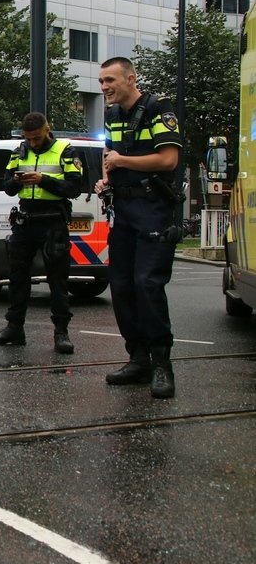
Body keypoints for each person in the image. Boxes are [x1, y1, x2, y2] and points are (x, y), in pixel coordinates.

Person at [94, 57, 183, 399]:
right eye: (101, 81)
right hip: (124, 210)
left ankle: (161, 364)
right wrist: (106, 178)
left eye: (110, 80)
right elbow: (109, 156)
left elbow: (168, 160)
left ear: (130, 79)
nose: (104, 87)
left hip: (153, 210)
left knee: (147, 284)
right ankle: (138, 359)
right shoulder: (112, 114)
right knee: (121, 286)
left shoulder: (159, 109)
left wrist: (121, 161)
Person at [0, 112, 83, 353]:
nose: (32, 143)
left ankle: (61, 332)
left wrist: (42, 180)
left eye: (36, 138)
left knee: (57, 279)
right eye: (28, 138)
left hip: (53, 221)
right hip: (25, 219)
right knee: (17, 277)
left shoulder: (65, 151)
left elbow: (74, 187)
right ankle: (14, 328)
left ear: (47, 129)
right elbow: (7, 187)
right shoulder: (19, 152)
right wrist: (17, 181)